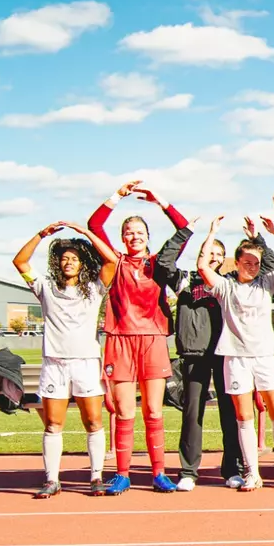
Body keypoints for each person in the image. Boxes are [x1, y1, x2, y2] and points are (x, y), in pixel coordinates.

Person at [156, 215, 274, 490]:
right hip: (195, 354)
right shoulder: (186, 280)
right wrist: (186, 231)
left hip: (227, 354)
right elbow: (163, 263)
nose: (214, 257)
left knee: (231, 413)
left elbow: (266, 266)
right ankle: (188, 472)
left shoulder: (231, 282)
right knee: (192, 413)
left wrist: (257, 238)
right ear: (202, 253)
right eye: (209, 252)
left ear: (225, 259)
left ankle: (232, 469)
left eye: (219, 254)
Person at [87, 179, 192, 494]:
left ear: (148, 236)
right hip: (120, 340)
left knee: (154, 411)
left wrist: (161, 201)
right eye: (129, 232)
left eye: (140, 232)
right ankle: (122, 474)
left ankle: (159, 473)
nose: (134, 236)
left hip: (153, 339)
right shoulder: (115, 262)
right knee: (124, 412)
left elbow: (184, 229)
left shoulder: (159, 263)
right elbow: (94, 225)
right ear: (122, 237)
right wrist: (116, 196)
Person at [12, 220, 119, 497]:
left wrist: (86, 233)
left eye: (74, 259)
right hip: (54, 364)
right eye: (64, 258)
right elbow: (20, 262)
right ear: (57, 263)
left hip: (86, 363)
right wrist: (40, 234)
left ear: (82, 264)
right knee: (52, 424)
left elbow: (112, 261)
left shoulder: (95, 288)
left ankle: (96, 477)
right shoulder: (45, 287)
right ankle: (52, 480)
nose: (69, 262)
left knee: (93, 422)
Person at [196, 205, 274, 491]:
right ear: (237, 262)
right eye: (247, 262)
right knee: (244, 417)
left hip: (264, 356)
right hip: (235, 358)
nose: (252, 267)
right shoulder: (225, 286)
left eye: (256, 263)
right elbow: (202, 266)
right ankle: (252, 472)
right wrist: (212, 233)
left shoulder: (267, 283)